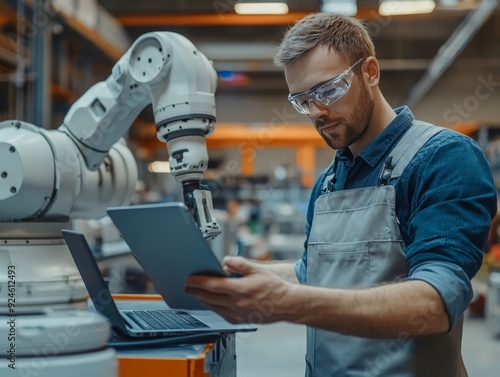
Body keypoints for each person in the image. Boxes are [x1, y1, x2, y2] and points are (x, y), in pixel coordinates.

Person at [186, 12, 497, 376]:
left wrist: (289, 303)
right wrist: (246, 277)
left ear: (370, 72)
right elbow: (315, 273)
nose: (317, 111)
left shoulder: (443, 158)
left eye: (328, 89)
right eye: (302, 100)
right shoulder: (328, 183)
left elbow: (437, 300)